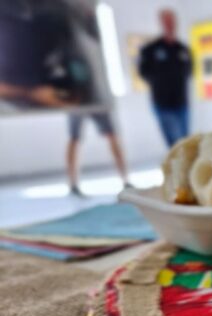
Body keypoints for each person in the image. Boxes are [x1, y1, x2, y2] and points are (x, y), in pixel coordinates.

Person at [138, 9, 192, 149]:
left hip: (182, 102)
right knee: (175, 144)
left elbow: (189, 71)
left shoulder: (183, 49)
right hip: (163, 104)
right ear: (161, 23)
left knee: (186, 142)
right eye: (166, 21)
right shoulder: (150, 49)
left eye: (172, 21)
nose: (170, 24)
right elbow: (143, 72)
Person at [66, 112, 130, 196]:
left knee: (112, 135)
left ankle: (126, 181)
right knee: (74, 138)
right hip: (76, 106)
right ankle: (73, 185)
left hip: (98, 104)